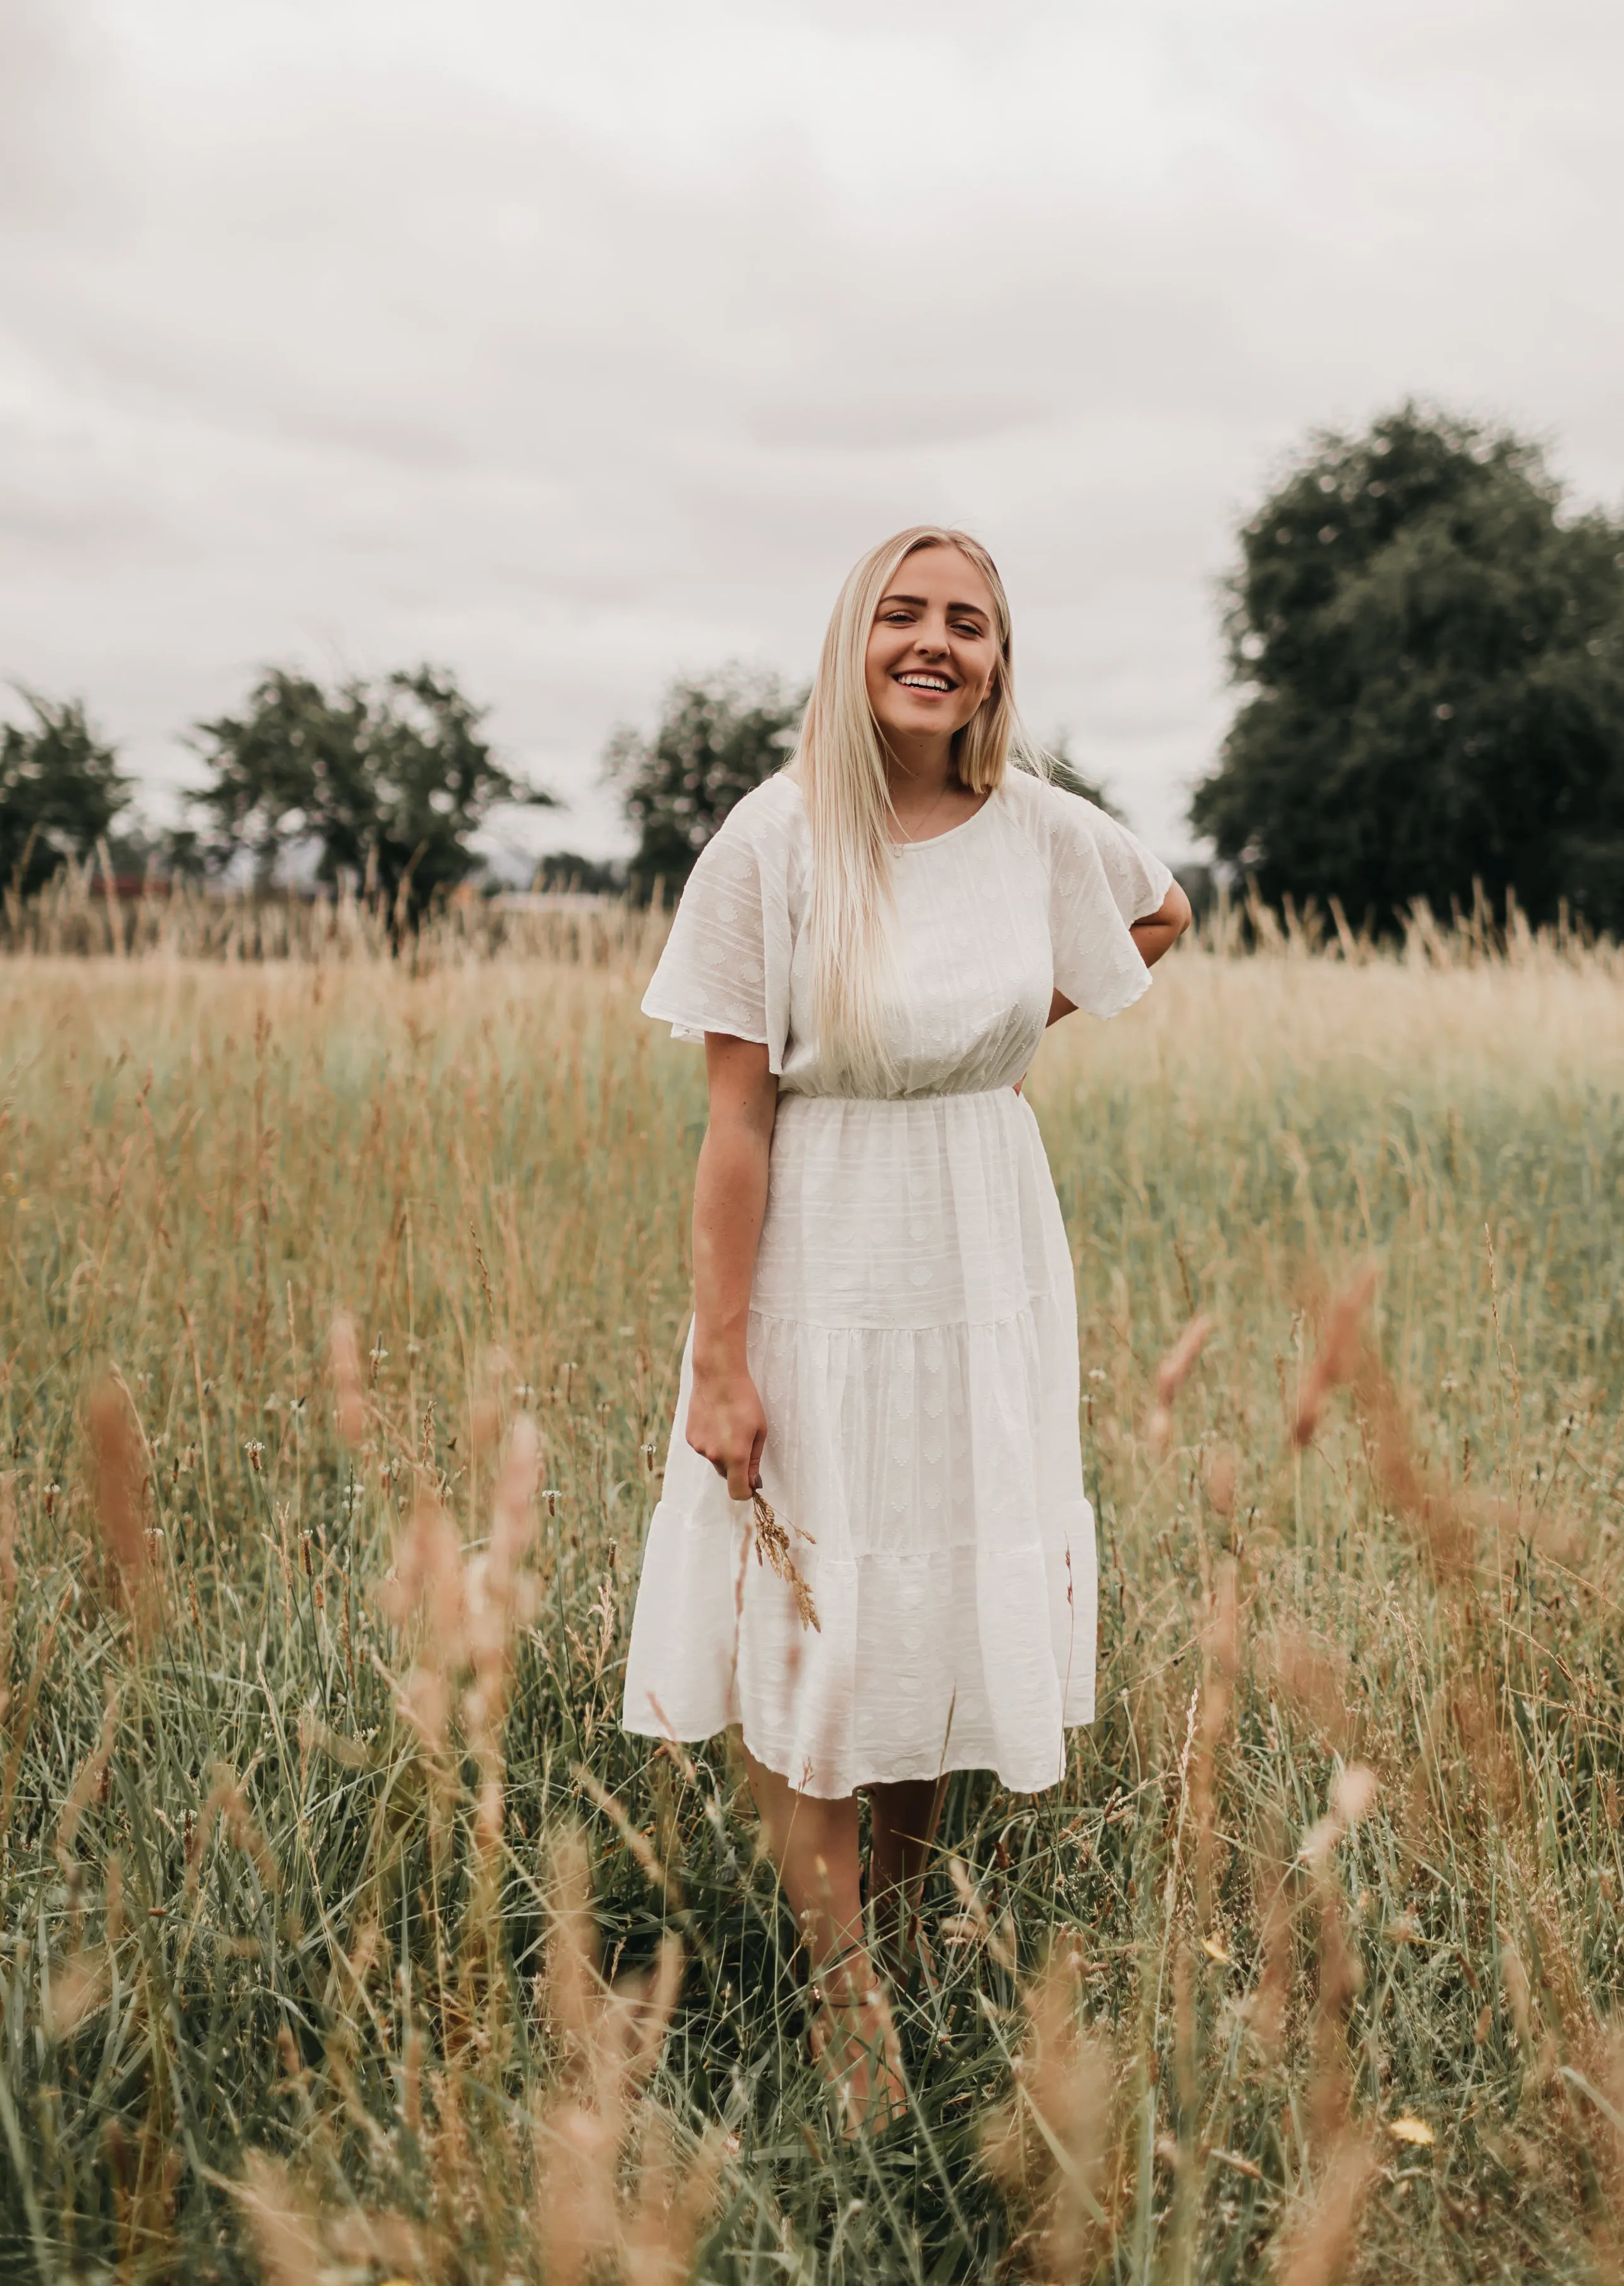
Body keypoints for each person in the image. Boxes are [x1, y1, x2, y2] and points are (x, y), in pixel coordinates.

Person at [620, 525, 1190, 2124]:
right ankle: (843, 1984)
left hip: (983, 1250)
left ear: (1000, 661)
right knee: (819, 1613)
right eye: (906, 615)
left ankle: (904, 1923)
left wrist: (1008, 1028)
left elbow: (1165, 911)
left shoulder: (1034, 830)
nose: (937, 645)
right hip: (825, 1257)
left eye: (972, 625)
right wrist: (719, 1360)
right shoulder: (774, 838)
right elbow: (734, 1125)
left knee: (936, 1592)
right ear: (853, 639)